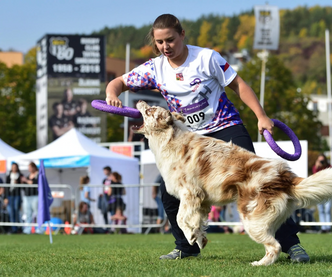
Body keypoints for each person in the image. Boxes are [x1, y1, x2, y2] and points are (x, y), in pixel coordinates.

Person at [105, 14, 309, 262]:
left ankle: (292, 245)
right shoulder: (154, 68)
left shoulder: (206, 58)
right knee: (169, 192)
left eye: (170, 40)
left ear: (182, 35)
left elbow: (239, 86)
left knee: (260, 183)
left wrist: (261, 116)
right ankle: (185, 246)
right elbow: (117, 82)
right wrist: (111, 95)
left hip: (226, 128)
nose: (165, 46)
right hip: (190, 139)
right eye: (159, 42)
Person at [312, 154, 332, 234]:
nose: (321, 162)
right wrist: (317, 167)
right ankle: (323, 228)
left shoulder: (329, 166)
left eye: (323, 160)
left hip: (328, 190)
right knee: (321, 210)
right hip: (319, 191)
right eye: (320, 160)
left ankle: (328, 227)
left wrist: (324, 166)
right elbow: (314, 175)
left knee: (327, 209)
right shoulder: (316, 167)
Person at [21, 162, 39, 234]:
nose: (29, 169)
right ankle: (27, 229)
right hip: (27, 196)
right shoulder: (28, 175)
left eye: (30, 167)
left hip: (35, 196)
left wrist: (25, 180)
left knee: (37, 212)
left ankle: (39, 228)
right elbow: (25, 186)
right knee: (28, 213)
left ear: (34, 167)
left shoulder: (38, 175)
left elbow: (34, 183)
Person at [6, 162, 23, 233]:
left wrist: (18, 183)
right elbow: (6, 187)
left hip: (17, 195)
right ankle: (13, 228)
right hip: (10, 196)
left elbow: (23, 186)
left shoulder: (20, 176)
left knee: (16, 210)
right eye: (13, 167)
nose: (14, 168)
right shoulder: (8, 176)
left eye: (15, 167)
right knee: (11, 212)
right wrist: (5, 197)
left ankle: (18, 227)